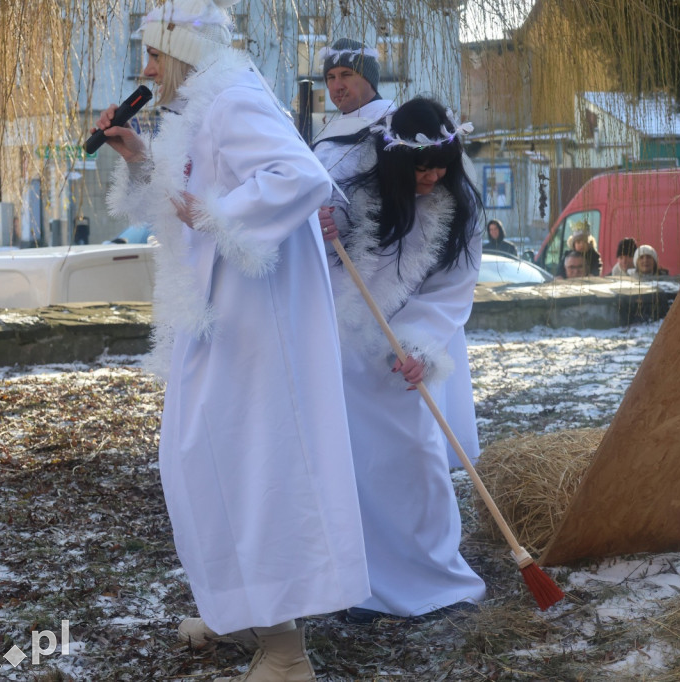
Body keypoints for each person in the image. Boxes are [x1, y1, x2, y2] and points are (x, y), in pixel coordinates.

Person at [95, 1, 369, 679]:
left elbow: (302, 178)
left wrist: (217, 214)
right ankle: (237, 608)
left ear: (184, 49)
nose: (146, 69)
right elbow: (184, 204)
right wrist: (138, 158)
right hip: (221, 317)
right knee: (203, 466)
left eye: (154, 54)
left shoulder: (232, 100)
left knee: (253, 471)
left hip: (255, 323)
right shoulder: (205, 104)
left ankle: (283, 647)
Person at [317, 97, 486, 624]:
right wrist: (318, 234)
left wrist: (421, 348)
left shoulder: (461, 205)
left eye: (441, 164)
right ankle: (363, 586)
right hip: (346, 346)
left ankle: (433, 578)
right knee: (351, 468)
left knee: (415, 458)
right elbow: (314, 262)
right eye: (421, 166)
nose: (432, 176)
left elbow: (455, 288)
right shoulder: (356, 191)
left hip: (407, 352)